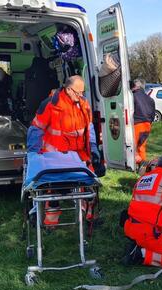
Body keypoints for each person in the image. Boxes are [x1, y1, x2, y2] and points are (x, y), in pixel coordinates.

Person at [26, 75, 100, 225]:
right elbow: (36, 128)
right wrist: (33, 155)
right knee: (53, 193)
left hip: (79, 156)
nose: (80, 96)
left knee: (92, 184)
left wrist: (93, 149)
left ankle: (89, 217)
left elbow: (89, 128)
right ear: (68, 89)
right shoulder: (51, 105)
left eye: (82, 92)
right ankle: (49, 223)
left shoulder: (84, 104)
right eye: (77, 92)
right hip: (55, 158)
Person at [122, 155, 162, 269]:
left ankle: (139, 246)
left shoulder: (143, 178)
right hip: (148, 233)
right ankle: (140, 255)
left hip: (131, 227)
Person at [131, 78, 156, 168]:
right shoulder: (150, 99)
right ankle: (143, 168)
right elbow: (153, 114)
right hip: (147, 125)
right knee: (141, 147)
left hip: (137, 124)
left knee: (132, 147)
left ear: (136, 86)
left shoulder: (132, 96)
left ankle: (140, 163)